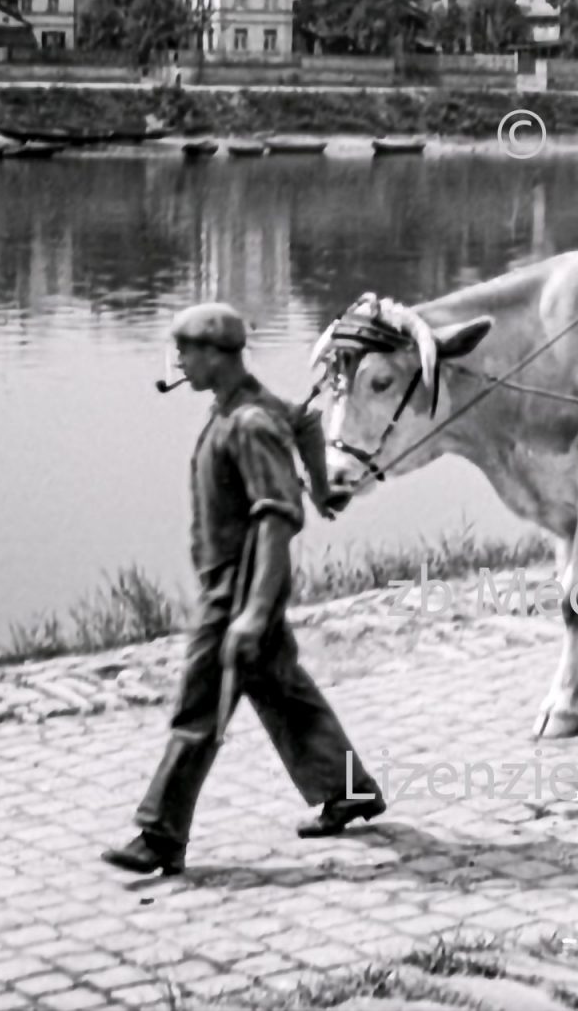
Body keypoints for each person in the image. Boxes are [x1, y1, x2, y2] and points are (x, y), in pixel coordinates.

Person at [102, 302, 386, 877]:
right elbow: (304, 424)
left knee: (199, 708)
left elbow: (276, 520)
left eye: (185, 351)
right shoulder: (247, 407)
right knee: (282, 690)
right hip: (239, 587)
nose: (179, 361)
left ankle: (160, 834)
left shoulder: (249, 424)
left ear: (213, 354)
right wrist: (322, 486)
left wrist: (253, 613)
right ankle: (348, 789)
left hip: (236, 591)